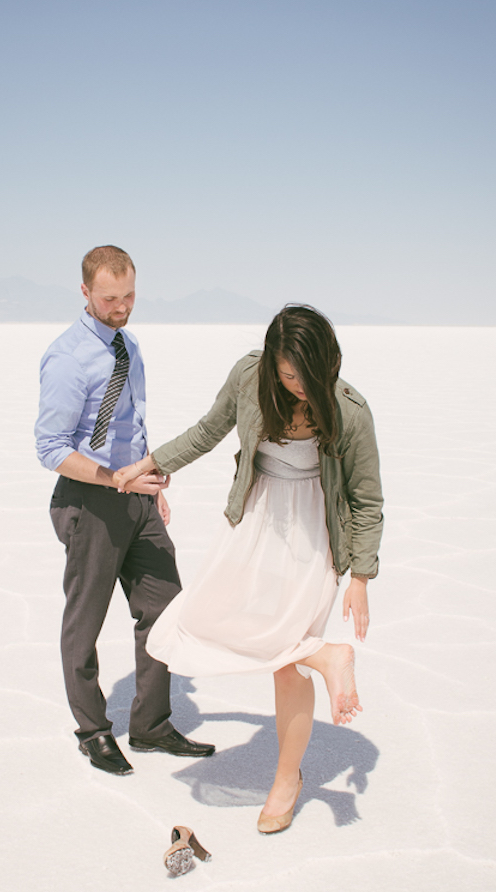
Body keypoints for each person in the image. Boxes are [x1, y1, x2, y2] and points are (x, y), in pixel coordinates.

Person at [116, 304, 383, 831]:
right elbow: (209, 428)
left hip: (314, 534)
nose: (299, 386)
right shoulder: (248, 376)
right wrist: (154, 463)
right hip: (256, 517)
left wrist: (361, 578)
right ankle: (326, 655)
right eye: (288, 375)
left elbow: (365, 498)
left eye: (309, 375)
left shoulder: (350, 409)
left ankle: (287, 779)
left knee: (285, 660)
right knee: (200, 619)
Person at [35, 245, 215, 775]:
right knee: (85, 622)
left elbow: (129, 421)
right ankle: (92, 730)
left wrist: (145, 479)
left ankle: (151, 725)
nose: (122, 306)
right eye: (110, 298)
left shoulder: (128, 346)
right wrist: (110, 477)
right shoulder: (67, 357)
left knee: (166, 610)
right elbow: (51, 447)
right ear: (86, 292)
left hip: (136, 495)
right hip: (89, 500)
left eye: (130, 295)